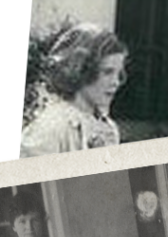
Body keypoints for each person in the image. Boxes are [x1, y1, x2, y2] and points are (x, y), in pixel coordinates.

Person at [19, 23, 127, 156]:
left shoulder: (108, 128)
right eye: (107, 72)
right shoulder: (51, 126)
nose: (115, 82)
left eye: (118, 74)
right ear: (82, 70)